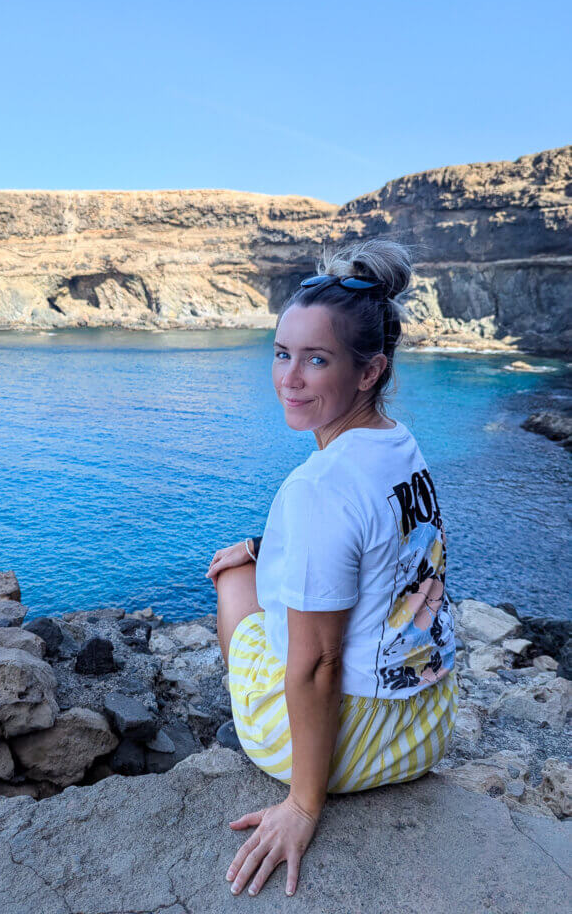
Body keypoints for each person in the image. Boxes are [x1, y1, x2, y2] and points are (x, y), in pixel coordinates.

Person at [205, 238, 458, 899]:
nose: (288, 377)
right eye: (282, 354)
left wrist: (302, 806)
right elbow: (382, 538)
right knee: (255, 561)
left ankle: (295, 768)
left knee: (232, 580)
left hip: (353, 748)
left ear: (367, 370)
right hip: (424, 726)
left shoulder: (318, 488)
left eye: (315, 360)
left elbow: (316, 666)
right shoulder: (400, 445)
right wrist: (267, 545)